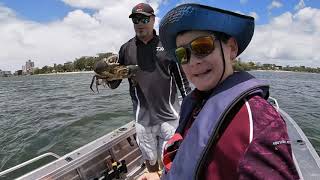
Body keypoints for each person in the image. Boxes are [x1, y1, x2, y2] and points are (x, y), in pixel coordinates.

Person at [138, 3, 299, 180]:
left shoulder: (260, 122)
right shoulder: (193, 104)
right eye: (182, 54)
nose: (192, 62)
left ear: (231, 48)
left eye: (202, 46)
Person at [106, 3, 191, 173]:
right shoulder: (125, 48)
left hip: (170, 117)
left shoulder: (168, 45)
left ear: (153, 20)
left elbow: (183, 82)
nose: (139, 23)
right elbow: (115, 82)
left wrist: (192, 111)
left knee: (172, 162)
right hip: (142, 120)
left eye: (144, 18)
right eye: (135, 19)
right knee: (150, 160)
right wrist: (107, 76)